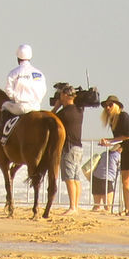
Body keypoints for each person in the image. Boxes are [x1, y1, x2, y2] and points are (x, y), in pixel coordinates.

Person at [52, 82, 100, 213]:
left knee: (69, 179)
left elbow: (50, 119)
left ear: (66, 95)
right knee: (76, 178)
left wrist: (56, 107)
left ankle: (72, 206)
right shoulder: (79, 110)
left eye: (61, 95)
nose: (60, 98)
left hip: (69, 148)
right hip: (78, 148)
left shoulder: (65, 113)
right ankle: (76, 205)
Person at [1, 44, 46, 121]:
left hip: (20, 107)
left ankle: (2, 131)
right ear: (30, 57)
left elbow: (8, 90)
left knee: (4, 105)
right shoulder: (40, 74)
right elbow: (43, 90)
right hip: (36, 107)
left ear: (18, 58)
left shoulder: (13, 73)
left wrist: (15, 98)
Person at [87, 144, 121, 211]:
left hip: (95, 178)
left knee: (96, 206)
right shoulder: (118, 156)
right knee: (108, 207)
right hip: (106, 180)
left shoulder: (104, 153)